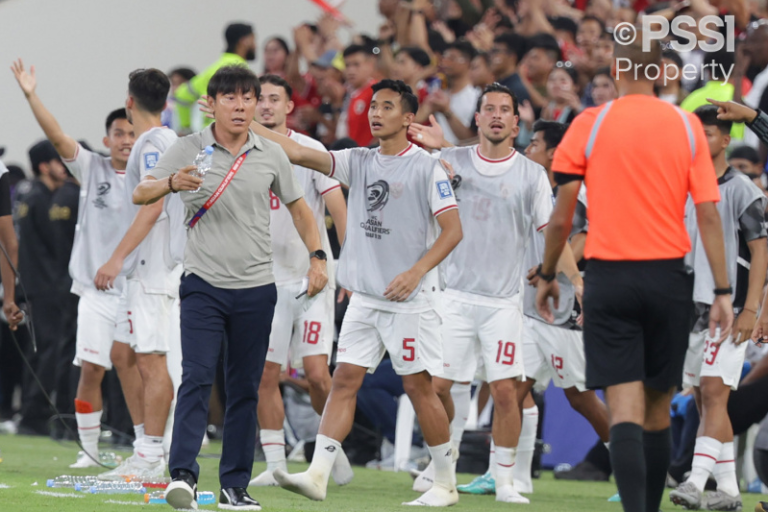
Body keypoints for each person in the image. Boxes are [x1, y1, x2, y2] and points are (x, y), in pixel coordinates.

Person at [536, 29, 734, 512]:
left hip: (610, 277)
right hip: (668, 278)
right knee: (657, 412)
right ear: (663, 74)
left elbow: (563, 213)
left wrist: (547, 274)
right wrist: (725, 290)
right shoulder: (687, 126)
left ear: (618, 71)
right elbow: (708, 212)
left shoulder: (590, 123)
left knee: (622, 410)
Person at [248, 79, 463, 507]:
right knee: (345, 380)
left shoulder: (426, 167)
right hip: (365, 297)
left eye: (387, 106)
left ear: (408, 118)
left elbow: (453, 230)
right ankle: (319, 474)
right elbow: (297, 151)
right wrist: (244, 124)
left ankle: (445, 482)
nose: (375, 113)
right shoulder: (358, 160)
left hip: (408, 300)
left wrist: (416, 271)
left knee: (420, 387)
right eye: (373, 106)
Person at [134, 65, 328, 511]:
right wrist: (170, 182)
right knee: (197, 379)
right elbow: (140, 193)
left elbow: (301, 209)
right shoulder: (187, 146)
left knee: (244, 388)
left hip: (258, 288)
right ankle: (181, 476)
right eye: (232, 98)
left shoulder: (271, 153)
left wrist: (317, 256)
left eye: (248, 98)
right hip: (202, 283)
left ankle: (234, 487)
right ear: (214, 103)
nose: (241, 106)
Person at [410, 83, 574, 504]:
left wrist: (579, 283)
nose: (497, 115)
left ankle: (504, 482)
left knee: (505, 391)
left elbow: (551, 234)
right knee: (437, 386)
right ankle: (443, 468)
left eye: (506, 110)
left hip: (504, 302)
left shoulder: (532, 175)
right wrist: (436, 149)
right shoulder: (448, 162)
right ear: (478, 118)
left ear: (516, 123)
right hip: (453, 296)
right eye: (489, 109)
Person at [247, 74, 353, 488]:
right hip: (262, 279)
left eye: (275, 99)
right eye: (261, 99)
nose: (267, 106)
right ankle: (275, 465)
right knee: (265, 375)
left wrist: (348, 267)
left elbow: (337, 208)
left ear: (290, 106)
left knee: (317, 374)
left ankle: (331, 452)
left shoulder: (309, 149)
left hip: (312, 276)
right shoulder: (244, 149)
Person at [669, 105, 767, 512]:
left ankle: (694, 480)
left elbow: (761, 251)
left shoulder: (742, 188)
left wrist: (753, 310)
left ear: (726, 140)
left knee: (712, 390)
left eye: (708, 133)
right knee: (708, 400)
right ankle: (728, 491)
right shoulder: (682, 184)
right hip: (689, 307)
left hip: (730, 306)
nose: (699, 141)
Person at [97, 68, 186, 481]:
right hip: (147, 268)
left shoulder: (153, 143)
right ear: (166, 102)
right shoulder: (164, 140)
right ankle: (145, 447)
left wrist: (116, 258)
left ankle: (153, 455)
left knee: (152, 361)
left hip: (153, 266)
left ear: (129, 101)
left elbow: (152, 205)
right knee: (124, 354)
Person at [14, 138, 67, 436]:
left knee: (38, 349)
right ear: (45, 166)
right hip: (46, 285)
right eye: (59, 161)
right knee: (48, 349)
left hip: (31, 284)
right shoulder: (44, 198)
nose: (65, 167)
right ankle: (36, 415)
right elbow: (55, 244)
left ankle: (31, 412)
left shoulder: (26, 195)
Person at [174, 22, 257, 132]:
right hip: (230, 135)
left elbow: (181, 95)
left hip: (207, 135)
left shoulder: (211, 69)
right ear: (244, 41)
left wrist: (186, 127)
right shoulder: (244, 72)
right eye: (253, 40)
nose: (255, 45)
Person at [337, 44, 376, 147]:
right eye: (347, 65)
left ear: (370, 65)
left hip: (366, 157)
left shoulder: (377, 93)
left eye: (356, 64)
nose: (351, 70)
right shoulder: (347, 93)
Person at [490, 33, 530, 106]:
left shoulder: (515, 91)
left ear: (512, 56)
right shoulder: (500, 85)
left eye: (496, 51)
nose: (491, 56)